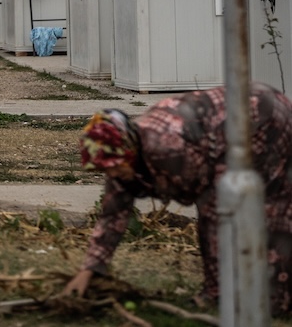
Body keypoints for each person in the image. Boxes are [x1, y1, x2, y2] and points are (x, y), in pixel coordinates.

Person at [62, 82, 292, 316]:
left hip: (262, 118)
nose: (111, 173)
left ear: (129, 150)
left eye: (114, 165)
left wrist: (215, 292)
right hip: (229, 128)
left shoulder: (167, 148)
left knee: (271, 209)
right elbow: (112, 217)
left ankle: (276, 300)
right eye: (104, 168)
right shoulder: (123, 162)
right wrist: (89, 271)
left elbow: (213, 211)